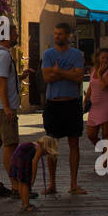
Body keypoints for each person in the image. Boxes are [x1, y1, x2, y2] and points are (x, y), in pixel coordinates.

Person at [41, 20, 87, 194]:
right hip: (54, 103)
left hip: (72, 103)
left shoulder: (76, 54)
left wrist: (58, 72)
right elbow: (47, 77)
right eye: (55, 33)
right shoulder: (48, 54)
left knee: (74, 143)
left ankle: (73, 183)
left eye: (60, 33)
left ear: (68, 36)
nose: (57, 36)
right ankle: (52, 183)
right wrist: (68, 73)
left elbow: (78, 77)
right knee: (51, 144)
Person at [0, 22, 21, 199]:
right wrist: (8, 107)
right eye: (14, 32)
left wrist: (20, 77)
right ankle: (16, 187)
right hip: (2, 107)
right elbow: (1, 81)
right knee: (11, 145)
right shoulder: (3, 55)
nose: (16, 35)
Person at [9, 133, 57, 214]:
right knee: (25, 184)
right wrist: (32, 178)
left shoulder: (34, 144)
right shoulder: (39, 149)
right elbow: (34, 162)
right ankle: (26, 204)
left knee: (21, 183)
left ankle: (24, 203)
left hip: (15, 159)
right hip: (22, 162)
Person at [85, 47, 108, 145]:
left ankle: (106, 157)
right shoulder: (93, 69)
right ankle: (106, 151)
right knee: (91, 134)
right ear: (98, 58)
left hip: (106, 106)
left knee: (107, 135)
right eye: (103, 58)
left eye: (107, 58)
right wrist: (85, 99)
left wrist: (99, 74)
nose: (105, 60)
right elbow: (91, 86)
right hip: (95, 107)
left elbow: (103, 86)